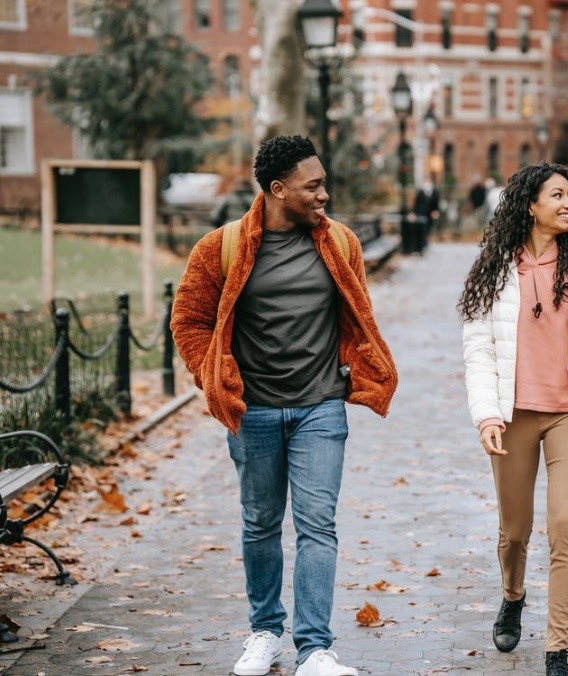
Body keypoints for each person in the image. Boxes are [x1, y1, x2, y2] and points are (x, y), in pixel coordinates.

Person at [170, 135, 398, 676]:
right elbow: (188, 321)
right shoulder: (219, 248)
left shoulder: (340, 243)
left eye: (324, 183)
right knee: (260, 524)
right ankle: (265, 633)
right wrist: (217, 377)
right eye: (312, 185)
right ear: (278, 189)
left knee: (318, 525)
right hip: (255, 412)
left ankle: (315, 647)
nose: (324, 194)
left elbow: (356, 318)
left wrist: (357, 370)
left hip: (321, 408)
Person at [458, 162, 568, 676]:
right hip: (512, 417)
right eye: (557, 195)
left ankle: (558, 647)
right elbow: (478, 350)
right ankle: (513, 596)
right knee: (514, 531)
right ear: (529, 205)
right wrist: (486, 413)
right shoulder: (493, 267)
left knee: (564, 524)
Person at [411, 179, 441, 248]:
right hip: (421, 214)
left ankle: (425, 242)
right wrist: (414, 213)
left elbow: (436, 204)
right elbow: (416, 204)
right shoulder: (420, 192)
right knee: (422, 229)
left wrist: (436, 211)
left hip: (430, 214)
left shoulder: (435, 192)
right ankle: (422, 243)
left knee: (429, 228)